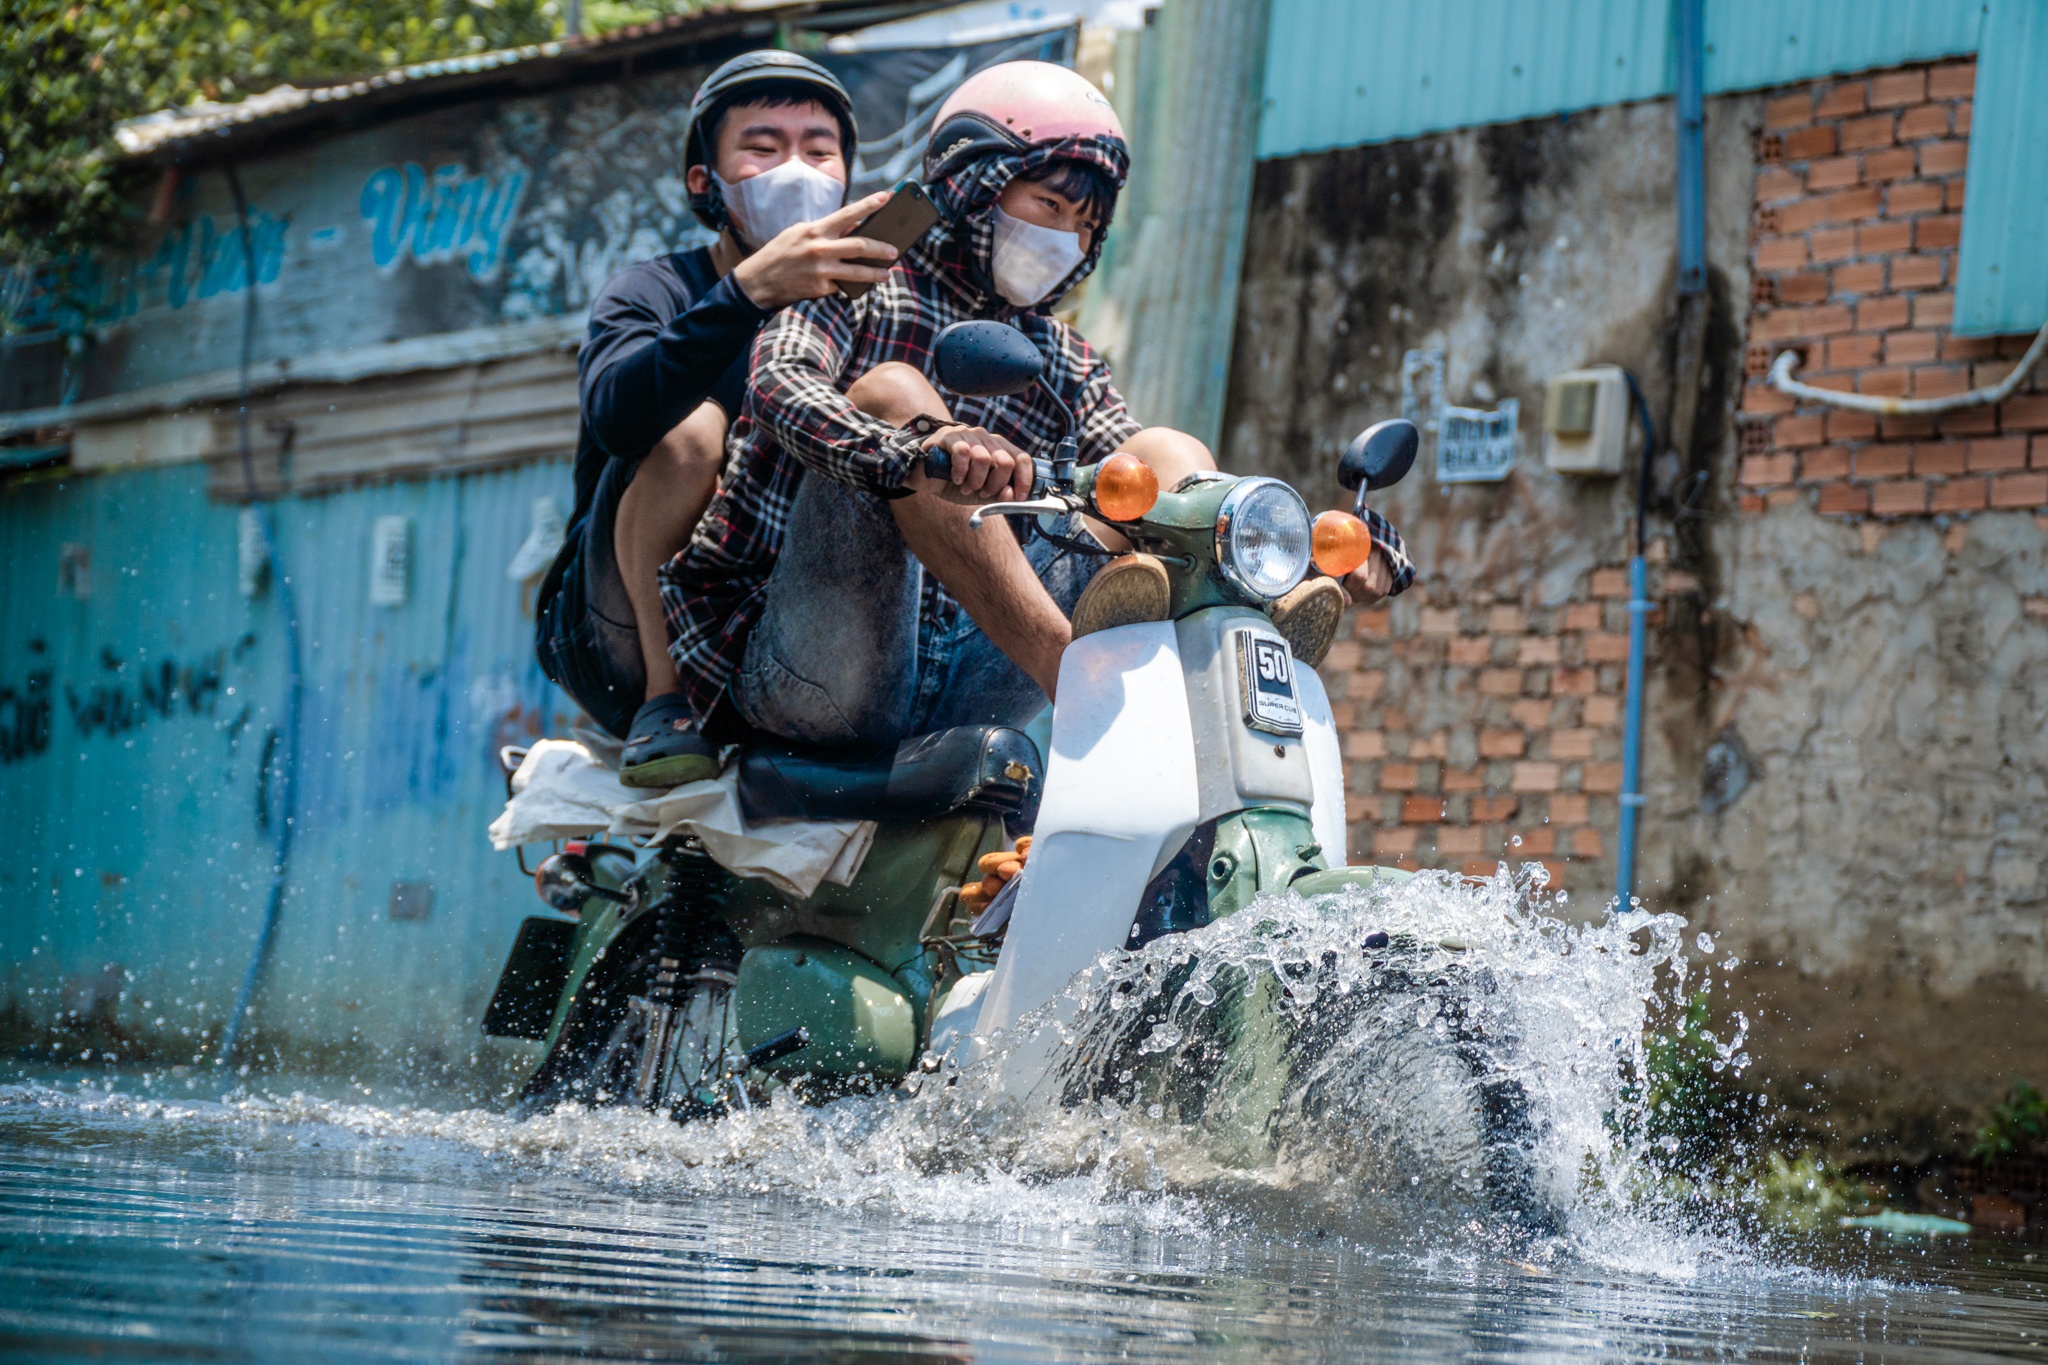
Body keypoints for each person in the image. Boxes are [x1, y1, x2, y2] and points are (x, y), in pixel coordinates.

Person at [659, 60, 1413, 752]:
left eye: (1083, 225)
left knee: (1163, 459)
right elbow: (780, 383)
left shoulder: (1065, 357)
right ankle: (1087, 690)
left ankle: (1236, 618)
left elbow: (1146, 481)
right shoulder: (857, 279)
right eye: (1048, 204)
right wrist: (919, 455)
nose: (1064, 237)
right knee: (896, 392)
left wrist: (1295, 541)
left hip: (966, 670)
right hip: (812, 671)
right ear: (971, 186)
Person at [534, 50, 903, 786]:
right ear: (706, 181)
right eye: (762, 148)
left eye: (818, 150)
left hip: (771, 615)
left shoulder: (876, 305)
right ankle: (666, 702)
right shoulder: (651, 289)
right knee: (693, 432)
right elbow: (615, 417)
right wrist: (744, 294)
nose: (795, 168)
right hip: (619, 641)